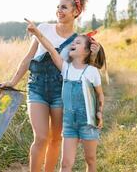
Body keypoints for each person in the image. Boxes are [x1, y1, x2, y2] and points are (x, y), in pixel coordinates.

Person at [1, 0, 100, 172]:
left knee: (56, 139)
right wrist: (13, 81)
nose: (59, 10)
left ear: (76, 12)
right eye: (58, 6)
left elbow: (81, 69)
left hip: (60, 92)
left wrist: (93, 53)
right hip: (36, 87)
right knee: (41, 137)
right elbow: (28, 58)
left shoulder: (78, 40)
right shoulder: (44, 28)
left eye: (64, 7)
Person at [25, 18, 106, 172]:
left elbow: (99, 95)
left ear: (87, 51)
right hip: (69, 124)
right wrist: (37, 33)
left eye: (77, 43)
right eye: (73, 42)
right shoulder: (65, 68)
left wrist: (99, 113)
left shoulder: (92, 71)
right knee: (65, 164)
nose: (72, 44)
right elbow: (50, 49)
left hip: (88, 122)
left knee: (90, 159)